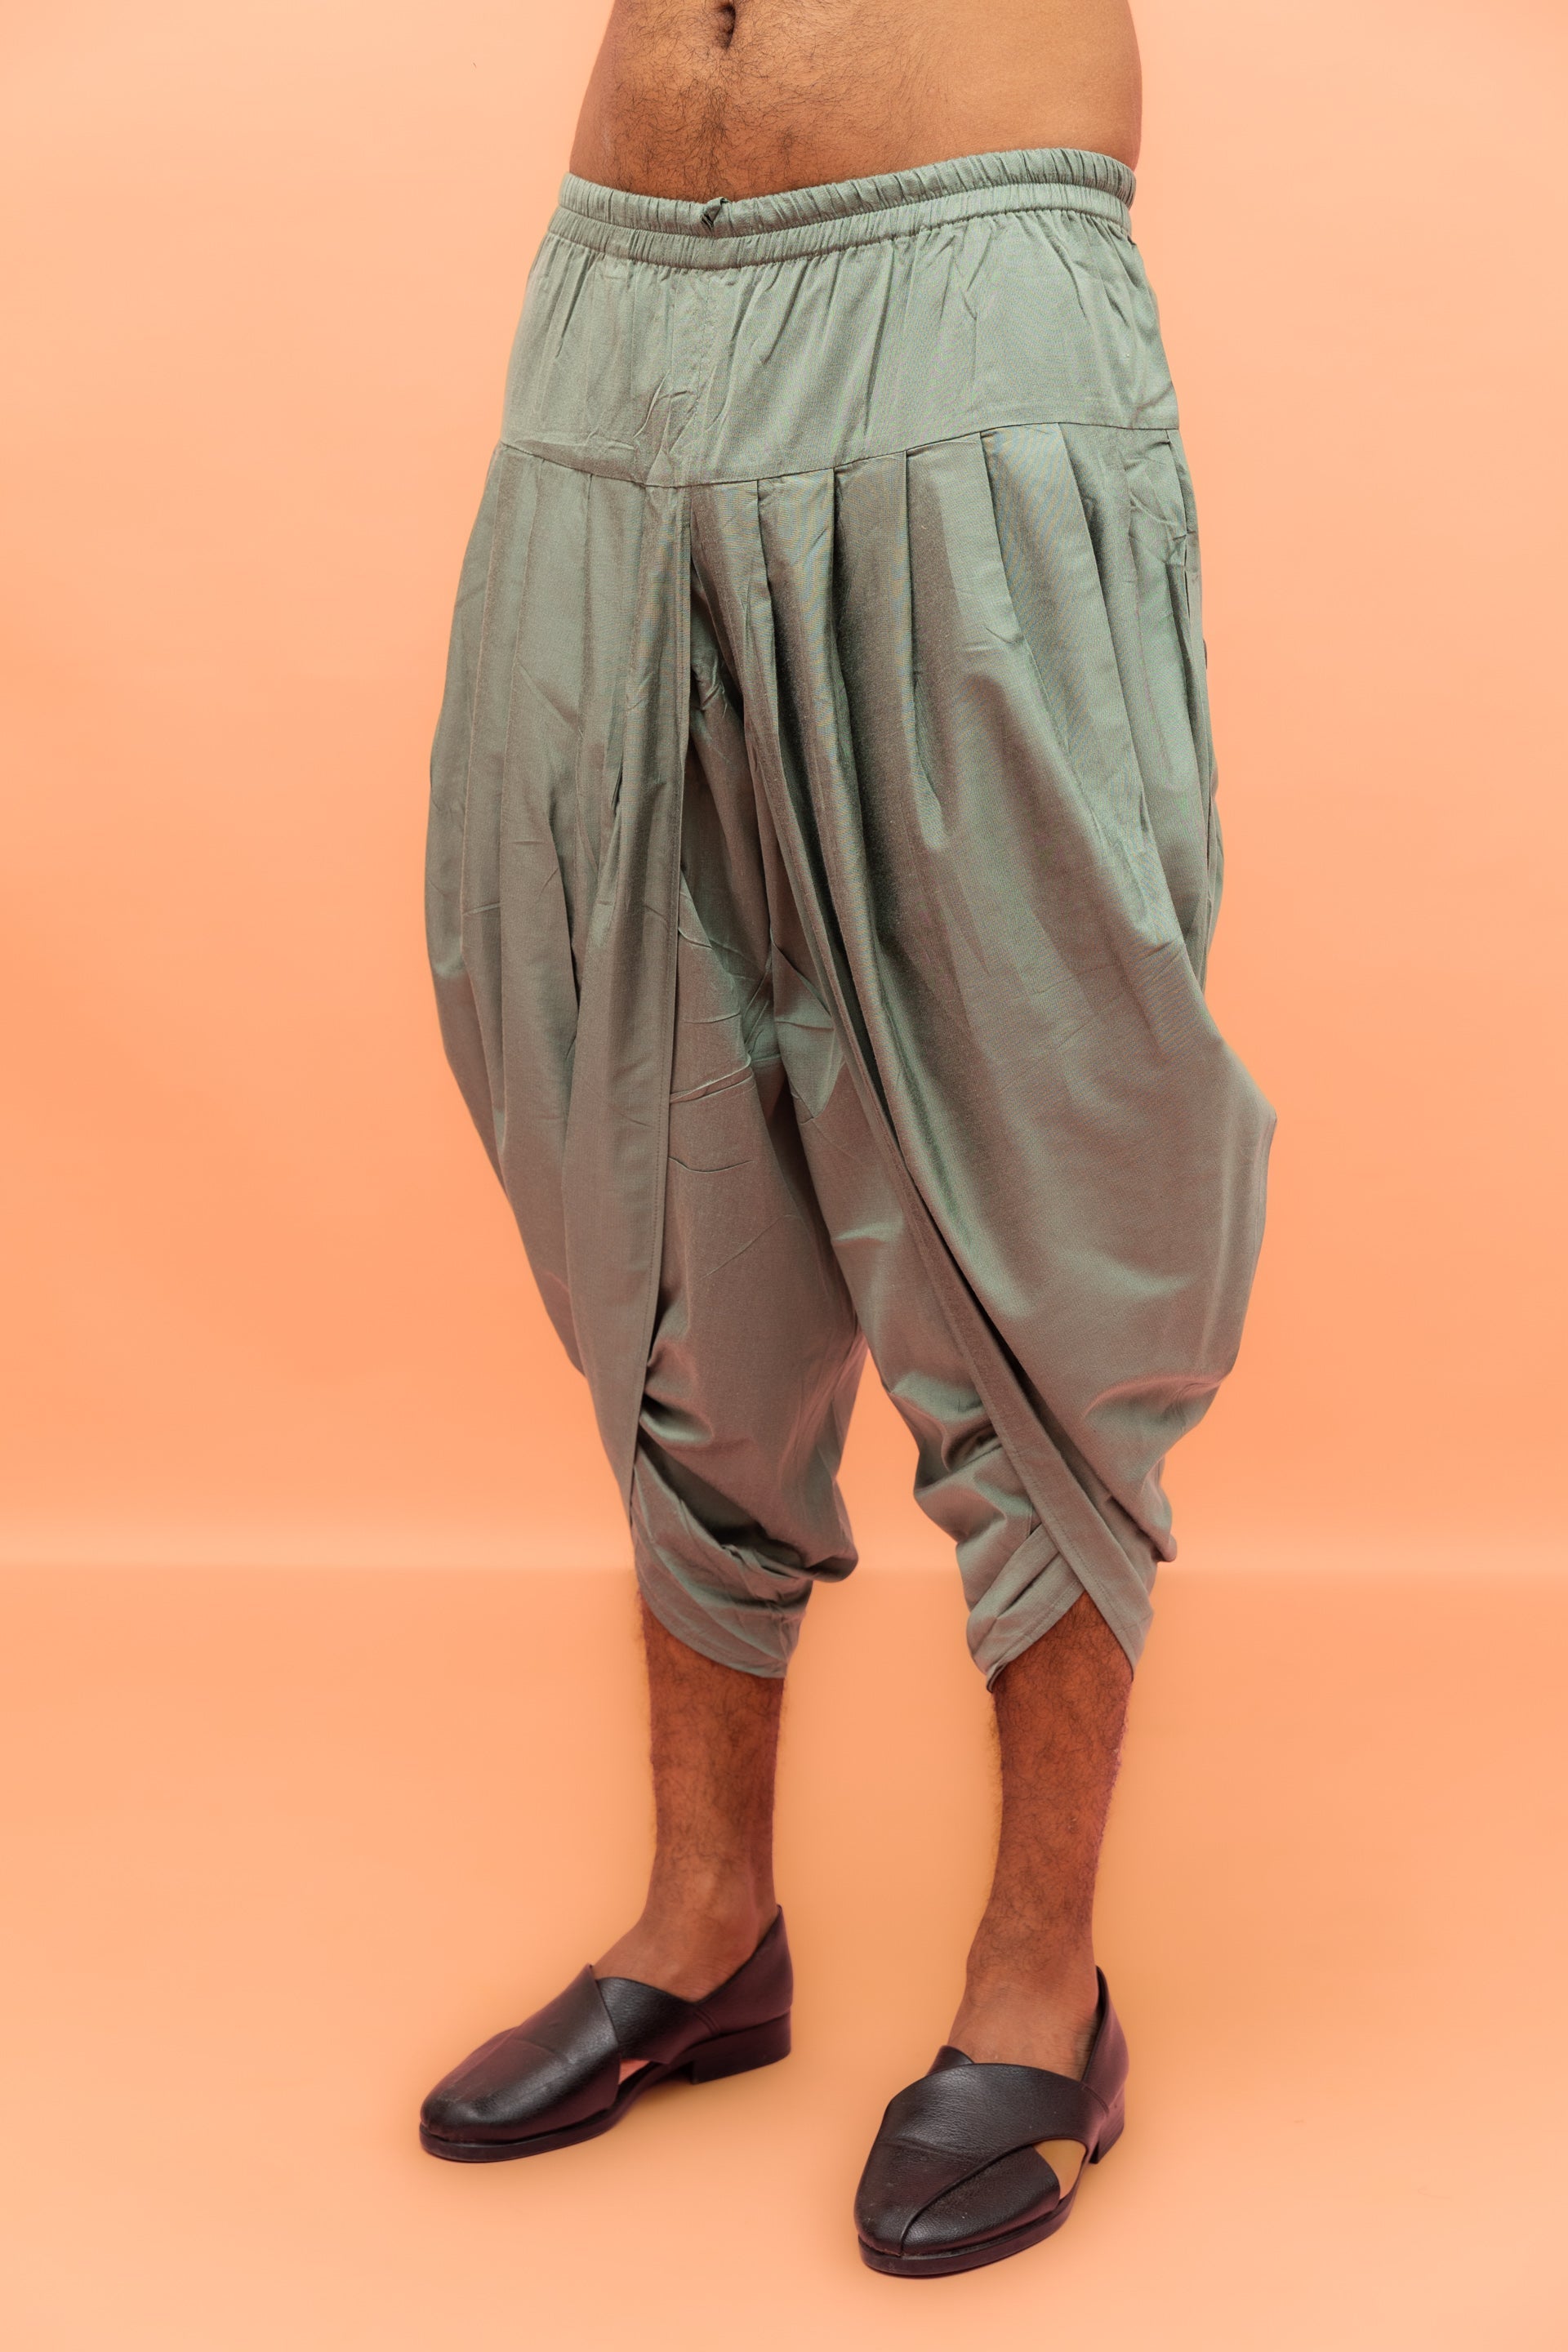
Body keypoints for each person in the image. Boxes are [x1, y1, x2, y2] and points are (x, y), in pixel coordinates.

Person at [418, 0, 1273, 2278]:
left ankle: (1042, 1978)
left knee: (1040, 1136)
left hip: (960, 283)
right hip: (614, 310)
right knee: (626, 1115)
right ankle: (706, 1925)